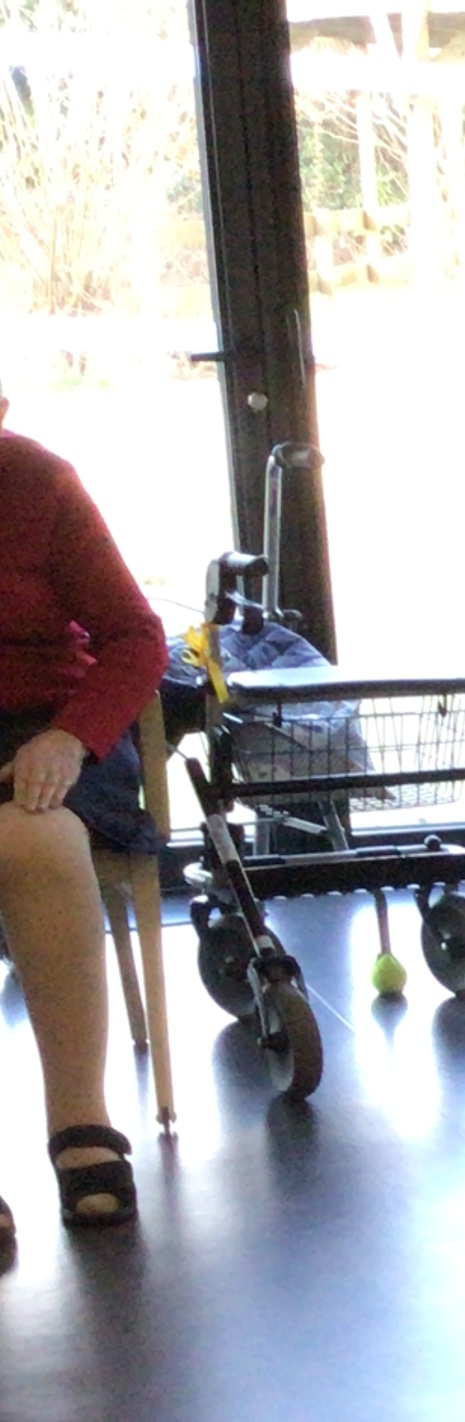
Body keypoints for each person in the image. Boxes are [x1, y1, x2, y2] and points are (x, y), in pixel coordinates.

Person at [0, 379, 167, 1241]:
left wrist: (70, 737)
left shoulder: (38, 481)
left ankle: (80, 1124)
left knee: (35, 839)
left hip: (50, 726)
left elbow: (137, 635)